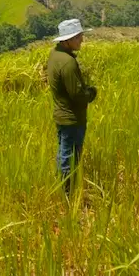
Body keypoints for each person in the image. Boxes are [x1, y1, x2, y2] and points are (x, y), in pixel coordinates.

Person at [46, 18, 97, 196]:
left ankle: (64, 189)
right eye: (78, 37)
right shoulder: (67, 62)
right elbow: (77, 96)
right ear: (67, 40)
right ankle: (68, 194)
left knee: (63, 153)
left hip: (62, 115)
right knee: (70, 157)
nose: (82, 39)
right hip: (71, 118)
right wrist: (91, 93)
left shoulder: (55, 54)